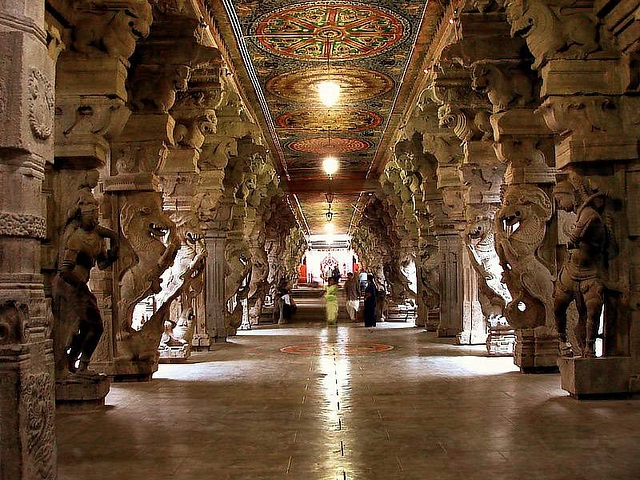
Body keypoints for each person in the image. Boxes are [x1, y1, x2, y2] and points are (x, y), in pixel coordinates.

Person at [53, 172, 118, 378]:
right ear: (81, 218)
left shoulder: (96, 238)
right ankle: (81, 366)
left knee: (85, 326)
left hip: (81, 285)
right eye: (90, 216)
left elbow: (102, 264)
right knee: (96, 326)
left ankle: (73, 361)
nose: (94, 220)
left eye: (96, 216)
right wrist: (80, 287)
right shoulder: (75, 239)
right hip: (72, 286)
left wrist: (113, 255)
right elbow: (64, 271)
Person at [552, 181, 607, 358]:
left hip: (590, 272)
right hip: (571, 270)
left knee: (593, 309)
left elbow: (575, 237)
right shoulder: (580, 215)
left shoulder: (589, 215)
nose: (559, 204)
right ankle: (562, 339)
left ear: (571, 196)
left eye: (560, 199)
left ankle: (589, 346)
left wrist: (574, 238)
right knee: (558, 306)